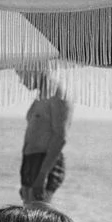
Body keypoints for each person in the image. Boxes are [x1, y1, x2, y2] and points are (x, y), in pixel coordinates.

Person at [18, 70, 73, 204]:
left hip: (44, 162)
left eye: (21, 74)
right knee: (28, 214)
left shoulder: (57, 94)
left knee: (39, 216)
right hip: (31, 161)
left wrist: (42, 175)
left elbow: (60, 137)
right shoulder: (42, 94)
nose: (21, 80)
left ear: (35, 68)